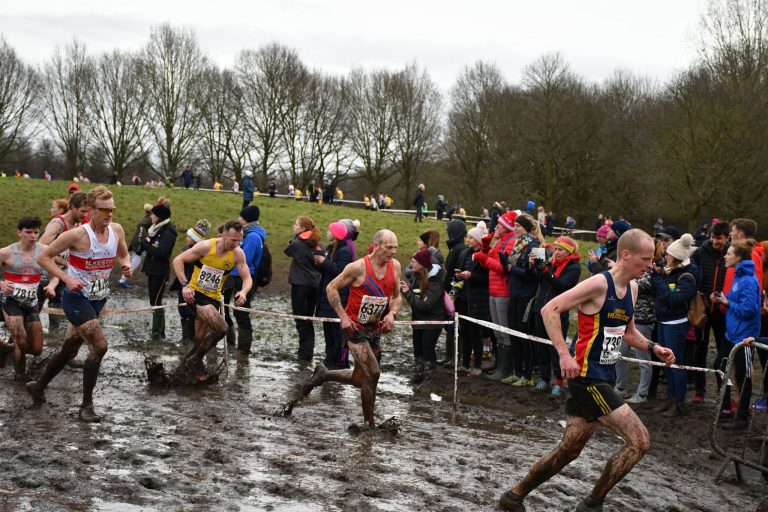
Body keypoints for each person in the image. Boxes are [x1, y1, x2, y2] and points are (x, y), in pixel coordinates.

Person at [499, 229, 675, 512]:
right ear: (626, 255)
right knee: (640, 442)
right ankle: (592, 504)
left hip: (604, 376)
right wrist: (563, 353)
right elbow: (550, 309)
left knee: (569, 451)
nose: (649, 264)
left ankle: (513, 496)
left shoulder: (632, 288)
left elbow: (628, 334)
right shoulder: (598, 284)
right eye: (645, 258)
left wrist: (654, 347)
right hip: (587, 377)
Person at [28, 186, 132, 422]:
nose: (109, 214)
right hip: (75, 299)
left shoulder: (116, 230)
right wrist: (66, 278)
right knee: (100, 346)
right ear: (91, 211)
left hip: (98, 298)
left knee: (69, 350)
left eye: (112, 209)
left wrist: (126, 264)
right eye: (104, 210)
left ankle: (38, 385)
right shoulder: (77, 235)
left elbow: (124, 253)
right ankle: (86, 405)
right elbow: (43, 256)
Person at [303, 230, 402, 428]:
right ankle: (369, 424)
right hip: (354, 329)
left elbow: (397, 297)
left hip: (374, 329)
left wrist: (392, 314)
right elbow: (331, 287)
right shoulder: (358, 267)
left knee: (359, 379)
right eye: (388, 247)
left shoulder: (395, 266)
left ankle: (324, 374)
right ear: (376, 246)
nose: (393, 252)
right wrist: (343, 317)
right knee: (373, 373)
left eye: (395, 248)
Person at [172, 220, 251, 381]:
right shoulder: (206, 247)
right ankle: (195, 360)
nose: (237, 244)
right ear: (223, 236)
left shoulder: (237, 253)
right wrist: (185, 285)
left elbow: (247, 277)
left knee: (200, 341)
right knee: (222, 328)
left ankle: (179, 373)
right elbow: (177, 260)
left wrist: (243, 292)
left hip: (213, 298)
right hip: (195, 296)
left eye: (240, 240)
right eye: (233, 240)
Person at [712, 240, 761, 430]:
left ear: (739, 258)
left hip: (745, 337)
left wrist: (727, 303)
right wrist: (723, 299)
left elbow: (749, 309)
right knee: (719, 366)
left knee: (743, 376)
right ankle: (725, 408)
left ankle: (741, 418)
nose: (725, 256)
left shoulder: (748, 280)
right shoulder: (738, 276)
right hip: (731, 333)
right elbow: (735, 299)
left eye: (729, 253)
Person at [649, 233, 698, 417]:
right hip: (664, 322)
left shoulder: (687, 277)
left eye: (668, 255)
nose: (665, 257)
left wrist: (657, 279)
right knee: (665, 362)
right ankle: (670, 398)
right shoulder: (670, 272)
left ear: (676, 258)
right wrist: (659, 276)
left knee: (676, 363)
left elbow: (674, 299)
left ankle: (679, 402)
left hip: (676, 324)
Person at [529, 236, 581, 395]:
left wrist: (545, 271)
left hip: (558, 313)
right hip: (541, 310)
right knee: (541, 347)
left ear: (569, 252)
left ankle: (559, 381)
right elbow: (537, 278)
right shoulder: (550, 263)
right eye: (556, 249)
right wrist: (534, 265)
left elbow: (561, 285)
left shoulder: (574, 267)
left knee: (556, 348)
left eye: (561, 250)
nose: (557, 253)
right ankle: (544, 379)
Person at [0, 216, 48, 381]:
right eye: (28, 232)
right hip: (10, 301)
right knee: (20, 339)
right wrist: (0, 283)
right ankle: (19, 376)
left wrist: (54, 284)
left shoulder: (43, 250)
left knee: (36, 349)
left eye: (36, 232)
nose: (33, 236)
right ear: (19, 232)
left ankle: (6, 349)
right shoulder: (6, 252)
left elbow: (59, 268)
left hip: (30, 304)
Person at [474, 210, 517, 381]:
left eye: (500, 224)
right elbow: (488, 264)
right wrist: (485, 249)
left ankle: (506, 368)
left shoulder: (511, 242)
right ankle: (500, 365)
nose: (496, 227)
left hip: (503, 291)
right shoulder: (500, 241)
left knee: (504, 330)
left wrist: (483, 258)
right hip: (493, 290)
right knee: (496, 331)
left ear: (506, 227)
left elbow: (501, 268)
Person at [689, 220, 729, 402]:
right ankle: (700, 390)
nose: (715, 241)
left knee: (723, 353)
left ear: (727, 238)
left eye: (719, 238)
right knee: (700, 350)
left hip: (722, 312)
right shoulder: (700, 252)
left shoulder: (731, 255)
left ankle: (724, 391)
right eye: (713, 237)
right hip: (703, 311)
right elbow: (691, 271)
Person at [500, 214, 542, 386]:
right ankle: (517, 373)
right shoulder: (518, 244)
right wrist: (506, 265)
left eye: (518, 226)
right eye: (514, 225)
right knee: (514, 333)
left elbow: (535, 274)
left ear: (526, 228)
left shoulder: (536, 246)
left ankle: (528, 375)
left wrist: (509, 267)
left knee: (524, 335)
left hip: (527, 295)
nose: (515, 228)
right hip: (514, 293)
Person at [39, 192, 89, 331]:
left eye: (87, 212)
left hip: (63, 274)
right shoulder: (58, 224)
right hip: (45, 272)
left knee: (57, 308)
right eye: (82, 211)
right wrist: (65, 262)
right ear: (72, 207)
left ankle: (53, 339)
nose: (85, 215)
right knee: (33, 309)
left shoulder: (79, 225)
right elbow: (40, 247)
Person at [222, 206, 266, 354]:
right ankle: (231, 342)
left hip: (244, 277)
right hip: (235, 275)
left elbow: (244, 258)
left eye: (241, 217)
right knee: (229, 310)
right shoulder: (247, 234)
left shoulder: (253, 236)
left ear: (246, 219)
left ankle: (244, 349)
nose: (238, 219)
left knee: (241, 313)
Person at [401, 248, 446, 384]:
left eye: (414, 262)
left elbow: (423, 305)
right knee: (417, 348)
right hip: (418, 320)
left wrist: (408, 293)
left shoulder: (435, 282)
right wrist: (406, 290)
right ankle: (419, 373)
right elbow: (417, 300)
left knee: (428, 348)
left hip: (433, 321)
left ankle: (430, 376)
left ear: (422, 265)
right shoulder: (416, 276)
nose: (411, 264)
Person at [284, 216, 322, 363]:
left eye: (296, 225)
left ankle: (304, 354)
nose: (293, 226)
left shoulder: (297, 243)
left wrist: (295, 239)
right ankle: (307, 351)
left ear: (303, 229)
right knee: (308, 319)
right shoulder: (319, 244)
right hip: (314, 286)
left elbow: (287, 251)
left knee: (300, 320)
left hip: (300, 286)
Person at [315, 221, 353, 368]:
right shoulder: (331, 248)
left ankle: (339, 361)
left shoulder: (344, 251)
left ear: (335, 234)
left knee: (336, 333)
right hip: (326, 296)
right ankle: (330, 359)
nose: (327, 233)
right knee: (328, 331)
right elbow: (329, 271)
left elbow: (342, 274)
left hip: (339, 296)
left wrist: (325, 263)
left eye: (329, 231)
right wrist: (319, 264)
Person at [454, 224, 490, 376]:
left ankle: (477, 365)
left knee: (476, 333)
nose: (467, 239)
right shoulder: (464, 254)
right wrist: (459, 275)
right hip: (463, 297)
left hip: (478, 298)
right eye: (467, 236)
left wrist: (472, 276)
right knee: (464, 332)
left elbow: (488, 278)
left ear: (478, 240)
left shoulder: (485, 255)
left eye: (470, 237)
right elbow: (461, 270)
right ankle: (465, 363)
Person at [140, 203, 177, 342]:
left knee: (156, 301)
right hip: (152, 269)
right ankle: (160, 334)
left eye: (153, 214)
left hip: (160, 271)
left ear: (160, 217)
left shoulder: (168, 233)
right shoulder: (156, 229)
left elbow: (161, 252)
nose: (151, 216)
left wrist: (145, 243)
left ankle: (156, 335)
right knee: (154, 300)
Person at [172, 219, 212, 344]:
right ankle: (185, 337)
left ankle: (192, 338)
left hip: (194, 285)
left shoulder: (201, 253)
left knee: (191, 311)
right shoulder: (186, 250)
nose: (186, 238)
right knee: (183, 310)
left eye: (189, 237)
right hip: (183, 283)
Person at [440, 220, 468, 366]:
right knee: (450, 324)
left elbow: (452, 271)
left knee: (455, 325)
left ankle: (456, 356)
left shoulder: (459, 249)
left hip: (454, 291)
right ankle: (449, 355)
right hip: (450, 290)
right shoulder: (455, 248)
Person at [119, 203, 153, 289]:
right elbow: (141, 229)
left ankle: (123, 279)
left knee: (140, 260)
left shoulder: (146, 218)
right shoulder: (148, 219)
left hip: (138, 243)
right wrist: (147, 239)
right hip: (139, 244)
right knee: (136, 261)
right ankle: (122, 280)